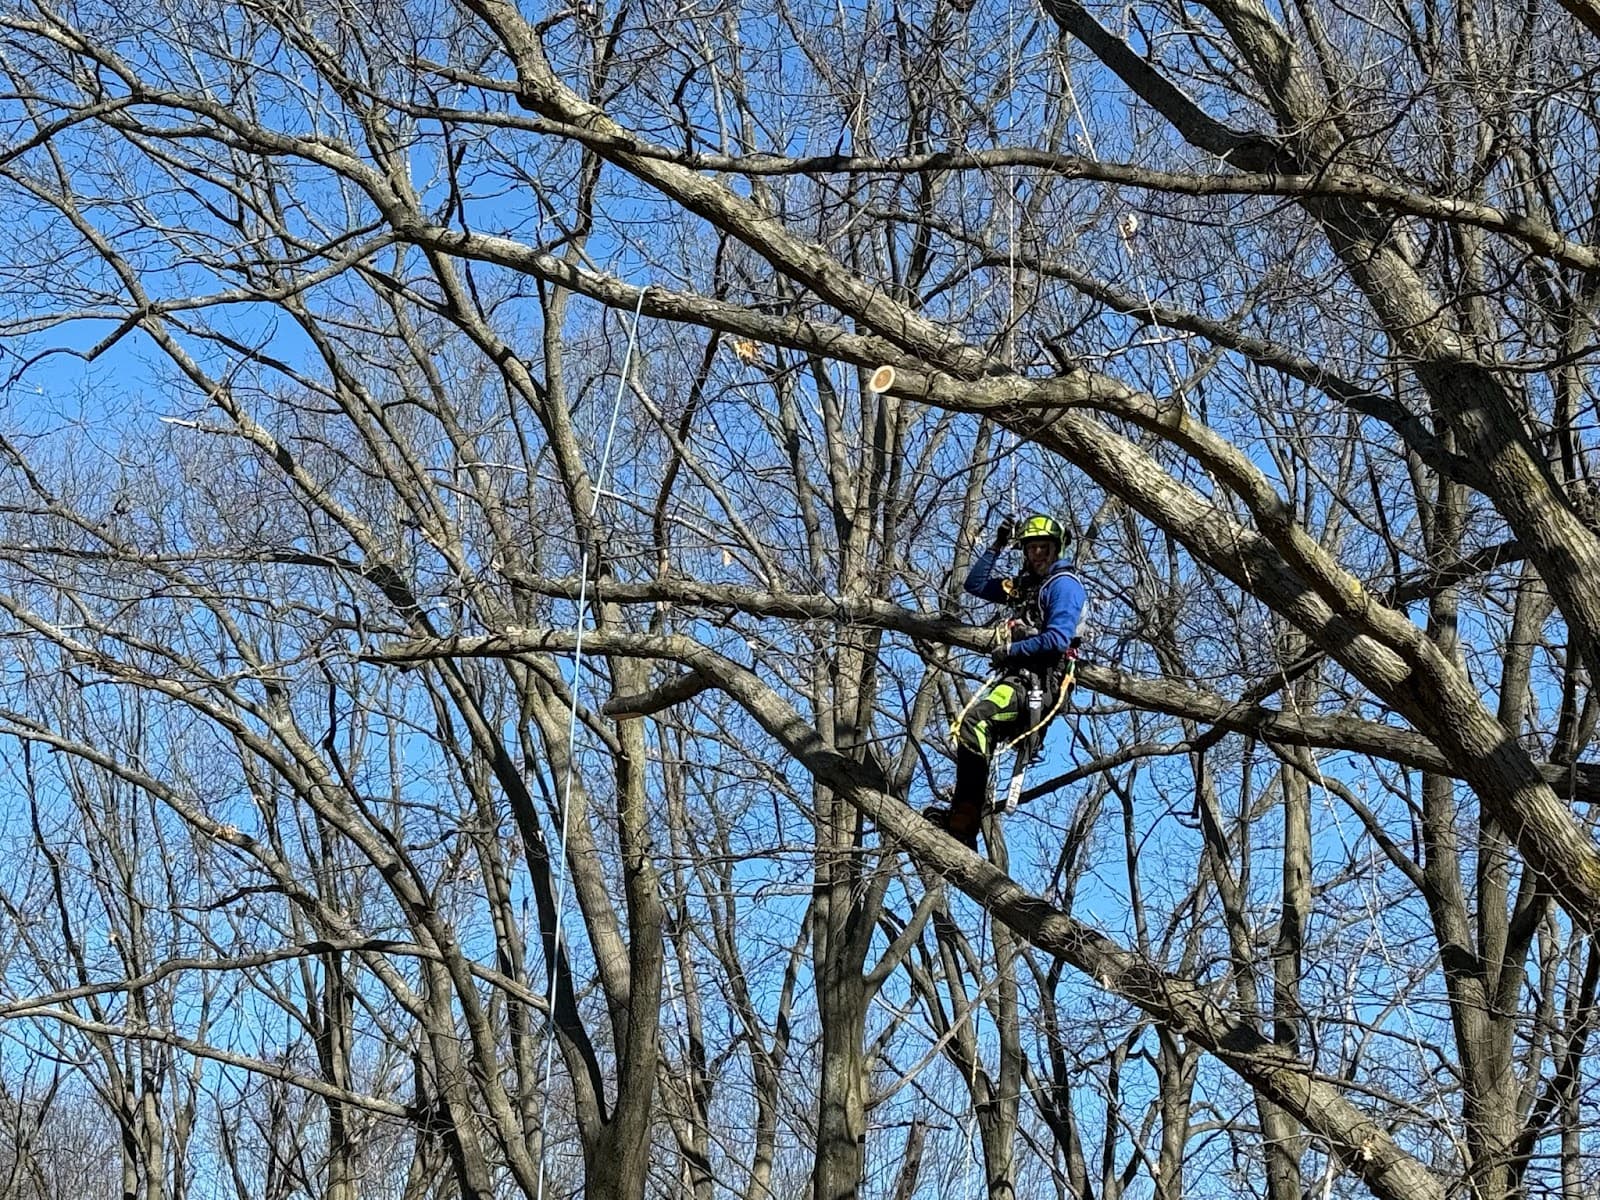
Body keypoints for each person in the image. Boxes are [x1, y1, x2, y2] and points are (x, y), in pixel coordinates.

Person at [927, 513, 1088, 849]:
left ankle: (963, 821)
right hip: (1017, 679)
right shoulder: (1024, 587)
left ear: (1057, 549)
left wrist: (1011, 650)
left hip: (1040, 683)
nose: (1037, 554)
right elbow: (975, 584)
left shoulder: (1063, 586)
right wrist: (998, 545)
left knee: (975, 721)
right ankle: (963, 817)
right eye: (1031, 548)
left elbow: (1058, 639)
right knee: (972, 729)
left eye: (1044, 547)